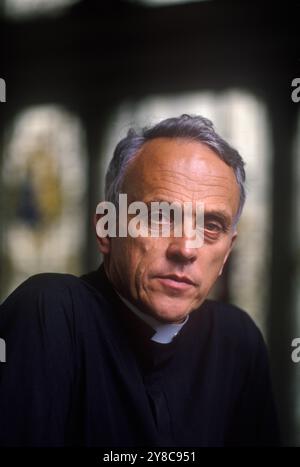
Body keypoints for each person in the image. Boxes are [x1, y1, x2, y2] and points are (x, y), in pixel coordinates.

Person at [0, 114, 279, 447]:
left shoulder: (238, 342)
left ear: (228, 252)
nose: (186, 249)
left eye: (212, 226)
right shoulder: (50, 313)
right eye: (159, 216)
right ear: (107, 228)